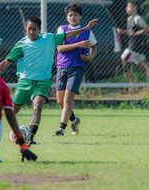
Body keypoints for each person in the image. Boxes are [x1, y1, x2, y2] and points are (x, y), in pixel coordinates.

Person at [0, 16, 97, 144]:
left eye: (34, 29)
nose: (31, 32)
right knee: (12, 111)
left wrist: (86, 28)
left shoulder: (49, 38)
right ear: (25, 30)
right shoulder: (21, 45)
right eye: (29, 29)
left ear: (40, 30)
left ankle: (30, 138)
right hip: (25, 82)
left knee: (37, 106)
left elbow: (68, 35)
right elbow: (6, 62)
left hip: (43, 82)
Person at [53, 3, 97, 136]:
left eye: (76, 15)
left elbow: (94, 47)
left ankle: (61, 129)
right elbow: (60, 48)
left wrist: (91, 57)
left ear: (80, 17)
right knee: (60, 101)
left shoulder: (88, 32)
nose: (73, 17)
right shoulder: (62, 29)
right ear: (66, 17)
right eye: (70, 15)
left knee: (67, 99)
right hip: (62, 68)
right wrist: (78, 44)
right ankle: (74, 119)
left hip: (77, 68)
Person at [117, 0, 149, 82]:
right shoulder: (129, 19)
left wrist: (137, 33)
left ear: (134, 8)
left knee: (124, 59)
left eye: (129, 6)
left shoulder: (137, 18)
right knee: (143, 67)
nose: (127, 8)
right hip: (134, 45)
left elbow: (147, 28)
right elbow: (130, 32)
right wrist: (121, 31)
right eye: (127, 6)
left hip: (134, 46)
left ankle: (132, 83)